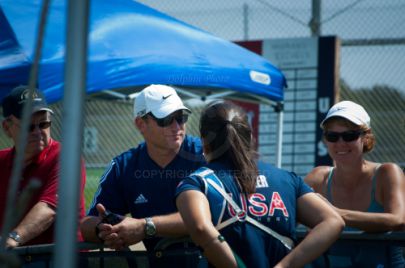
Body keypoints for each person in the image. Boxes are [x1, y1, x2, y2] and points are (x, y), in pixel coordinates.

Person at [175, 101, 345, 268]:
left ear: (204, 141)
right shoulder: (286, 179)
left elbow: (200, 228)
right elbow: (333, 221)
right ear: (250, 137)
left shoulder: (197, 183)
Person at [80, 85, 206, 265]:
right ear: (141, 124)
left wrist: (145, 227)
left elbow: (212, 217)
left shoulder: (206, 155)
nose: (177, 126)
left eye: (181, 117)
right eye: (166, 119)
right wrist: (105, 230)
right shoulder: (123, 167)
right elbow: (87, 224)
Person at [304, 100, 405, 267]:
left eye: (349, 135)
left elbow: (398, 220)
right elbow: (288, 212)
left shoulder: (388, 172)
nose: (341, 143)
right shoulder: (318, 177)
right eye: (332, 136)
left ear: (366, 138)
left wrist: (334, 215)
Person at [0, 85, 86, 248]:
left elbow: (49, 209)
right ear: (7, 128)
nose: (38, 132)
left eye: (44, 124)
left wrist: (12, 239)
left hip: (59, 258)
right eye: (29, 126)